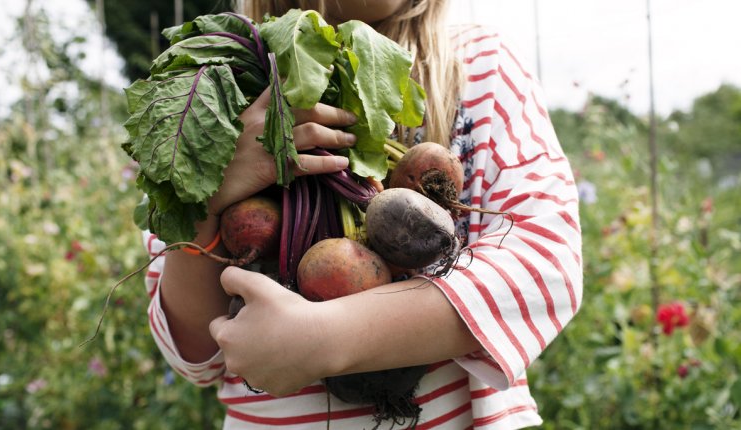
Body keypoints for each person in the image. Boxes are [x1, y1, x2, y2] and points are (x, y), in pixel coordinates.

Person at [142, 0, 583, 428]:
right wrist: (210, 188)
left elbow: (546, 266)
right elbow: (196, 355)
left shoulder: (478, 66)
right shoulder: (228, 93)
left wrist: (326, 337)